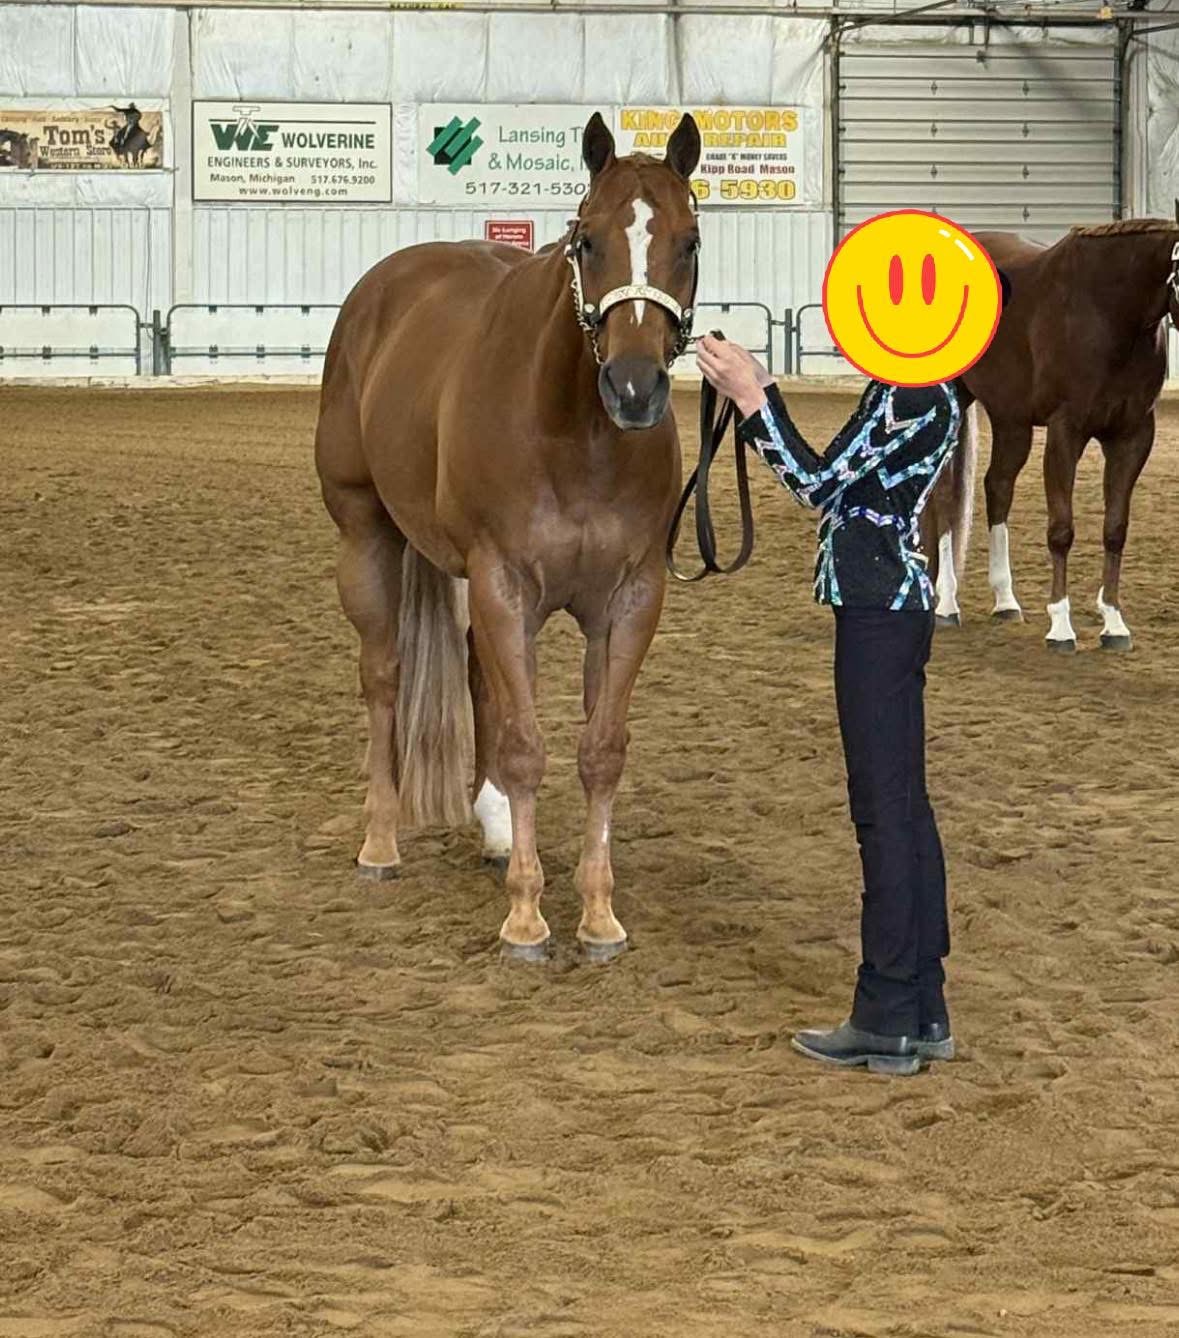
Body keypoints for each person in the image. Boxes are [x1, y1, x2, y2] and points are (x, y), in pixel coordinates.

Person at [695, 335, 962, 1076]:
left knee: (883, 810)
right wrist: (765, 393)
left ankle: (886, 1012)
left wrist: (752, 399)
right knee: (904, 806)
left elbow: (815, 485)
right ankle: (921, 1006)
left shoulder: (910, 393)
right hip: (889, 605)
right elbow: (844, 481)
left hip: (878, 609)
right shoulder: (924, 390)